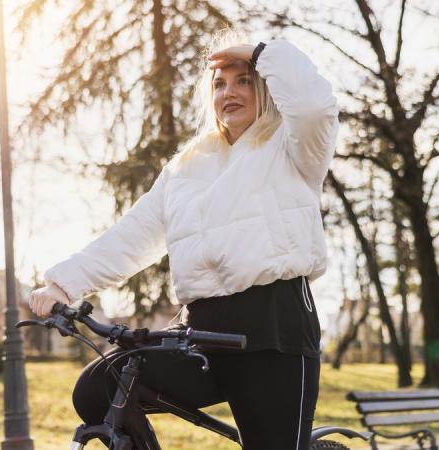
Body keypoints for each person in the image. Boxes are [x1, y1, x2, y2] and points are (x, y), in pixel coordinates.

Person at [30, 30, 339, 450]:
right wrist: (62, 284)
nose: (229, 92)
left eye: (244, 80)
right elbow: (133, 235)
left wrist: (259, 54)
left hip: (274, 328)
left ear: (266, 88)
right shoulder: (186, 167)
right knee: (99, 389)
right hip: (201, 332)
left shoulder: (293, 147)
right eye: (219, 84)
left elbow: (313, 105)